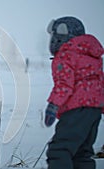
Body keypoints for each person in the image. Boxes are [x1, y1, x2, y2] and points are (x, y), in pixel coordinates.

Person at [44, 16, 104, 169]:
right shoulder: (92, 57)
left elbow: (64, 85)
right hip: (94, 111)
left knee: (59, 150)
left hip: (76, 110)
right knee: (82, 153)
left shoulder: (65, 55)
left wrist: (53, 106)